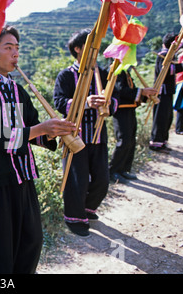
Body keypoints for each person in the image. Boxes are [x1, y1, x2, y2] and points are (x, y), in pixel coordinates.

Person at [0, 26, 76, 273]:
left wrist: (56, 131)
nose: (15, 53)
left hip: (22, 175)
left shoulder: (17, 90)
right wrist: (41, 129)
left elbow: (32, 128)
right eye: (8, 47)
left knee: (30, 241)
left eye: (17, 48)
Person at [53, 29, 118, 237]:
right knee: (76, 179)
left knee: (102, 179)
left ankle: (87, 209)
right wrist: (85, 102)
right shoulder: (66, 75)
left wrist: (109, 104)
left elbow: (114, 100)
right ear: (78, 49)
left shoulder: (104, 73)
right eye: (91, 47)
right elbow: (60, 102)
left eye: (97, 48)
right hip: (75, 135)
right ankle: (74, 218)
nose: (95, 52)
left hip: (98, 135)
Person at [109, 69, 158, 184]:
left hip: (130, 108)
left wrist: (145, 94)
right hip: (121, 110)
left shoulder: (125, 71)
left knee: (131, 139)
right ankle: (113, 171)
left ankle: (123, 169)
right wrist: (142, 91)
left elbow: (131, 89)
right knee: (123, 140)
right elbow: (121, 90)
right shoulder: (116, 70)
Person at [149, 33, 183, 152]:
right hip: (162, 91)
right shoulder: (163, 55)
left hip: (167, 91)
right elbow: (164, 71)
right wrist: (182, 66)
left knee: (167, 117)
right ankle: (156, 142)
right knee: (161, 117)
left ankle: (162, 141)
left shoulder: (169, 56)